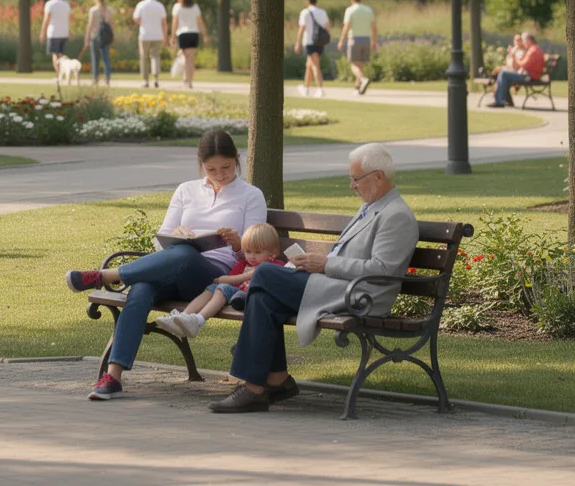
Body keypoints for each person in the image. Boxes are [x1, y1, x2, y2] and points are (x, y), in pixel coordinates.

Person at [207, 143, 418, 413]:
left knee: (265, 273)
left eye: (356, 179)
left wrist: (327, 264)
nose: (352, 186)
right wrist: (311, 265)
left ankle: (253, 375)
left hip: (359, 296)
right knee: (262, 298)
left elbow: (383, 269)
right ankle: (268, 384)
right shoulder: (372, 207)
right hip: (332, 286)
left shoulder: (396, 215)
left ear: (378, 177)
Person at [64, 129, 266, 400]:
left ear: (237, 159)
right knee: (141, 289)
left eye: (226, 167)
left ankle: (108, 275)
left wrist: (238, 242)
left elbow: (256, 250)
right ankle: (113, 376)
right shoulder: (186, 190)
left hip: (214, 278)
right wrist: (179, 235)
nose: (219, 174)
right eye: (211, 168)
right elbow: (161, 242)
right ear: (200, 164)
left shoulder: (251, 195)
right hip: (175, 268)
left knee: (183, 255)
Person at [154, 222, 283, 338]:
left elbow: (277, 281)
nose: (252, 256)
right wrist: (222, 279)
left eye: (258, 252)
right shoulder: (243, 264)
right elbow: (231, 277)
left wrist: (227, 279)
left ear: (273, 252)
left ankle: (199, 320)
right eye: (248, 251)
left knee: (223, 287)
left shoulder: (273, 265)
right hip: (233, 292)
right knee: (211, 288)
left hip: (249, 296)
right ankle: (183, 316)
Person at [486, 32, 544, 108]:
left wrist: (514, 57)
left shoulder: (533, 50)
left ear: (529, 40)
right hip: (530, 75)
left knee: (503, 74)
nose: (523, 43)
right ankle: (502, 101)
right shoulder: (536, 49)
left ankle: (499, 101)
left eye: (524, 41)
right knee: (504, 75)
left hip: (529, 76)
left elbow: (523, 64)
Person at [337, 0, 377, 95]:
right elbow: (374, 27)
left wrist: (341, 40)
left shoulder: (350, 10)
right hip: (366, 39)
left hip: (354, 39)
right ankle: (357, 88)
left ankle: (363, 79)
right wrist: (374, 41)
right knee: (359, 65)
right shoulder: (368, 10)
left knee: (353, 64)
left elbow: (346, 27)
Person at [170, 0, 207, 89]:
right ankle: (189, 81)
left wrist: (172, 37)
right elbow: (200, 22)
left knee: (186, 58)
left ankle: (186, 81)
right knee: (191, 59)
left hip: (183, 34)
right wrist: (205, 35)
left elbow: (175, 22)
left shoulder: (177, 7)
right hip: (193, 34)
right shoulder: (195, 7)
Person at [294, 0, 330, 98]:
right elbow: (327, 26)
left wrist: (298, 42)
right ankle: (306, 87)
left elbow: (302, 28)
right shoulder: (322, 12)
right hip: (320, 42)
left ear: (307, 1)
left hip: (309, 41)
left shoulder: (305, 12)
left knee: (314, 65)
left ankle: (320, 89)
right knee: (309, 65)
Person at [133, 0, 168, 89]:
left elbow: (135, 18)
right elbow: (164, 22)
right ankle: (156, 79)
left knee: (144, 58)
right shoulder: (160, 6)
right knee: (155, 57)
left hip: (145, 35)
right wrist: (165, 36)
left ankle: (145, 81)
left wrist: (141, 23)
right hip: (157, 35)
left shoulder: (141, 5)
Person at [40, 0, 72, 80]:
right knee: (61, 55)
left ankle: (59, 75)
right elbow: (67, 18)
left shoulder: (50, 4)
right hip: (64, 32)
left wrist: (43, 32)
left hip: (53, 32)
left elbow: (46, 19)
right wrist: (69, 30)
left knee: (55, 54)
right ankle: (63, 75)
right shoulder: (65, 4)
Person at [83, 0, 114, 86]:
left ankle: (95, 79)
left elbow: (90, 25)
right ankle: (107, 79)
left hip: (95, 36)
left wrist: (87, 38)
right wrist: (112, 37)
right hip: (106, 37)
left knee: (95, 59)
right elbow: (112, 25)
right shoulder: (109, 10)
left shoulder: (94, 10)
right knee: (106, 58)